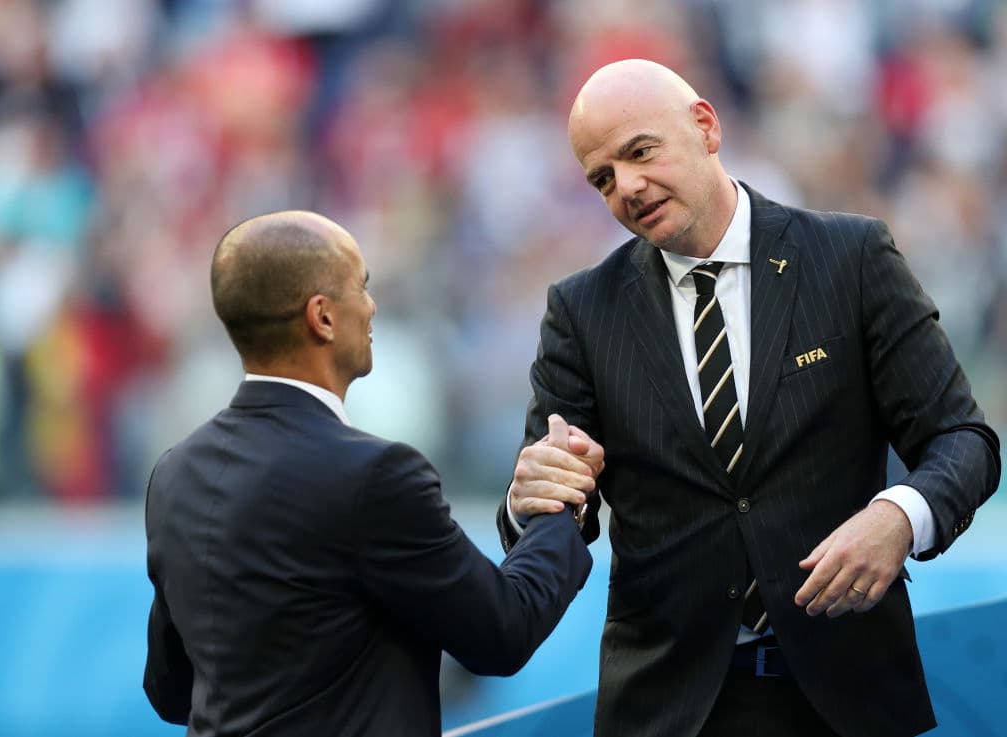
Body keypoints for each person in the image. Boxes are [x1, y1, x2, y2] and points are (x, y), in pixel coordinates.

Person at [497, 59, 1001, 737]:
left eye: (640, 152)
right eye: (602, 179)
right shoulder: (582, 311)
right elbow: (556, 505)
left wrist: (899, 516)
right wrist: (526, 499)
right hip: (670, 710)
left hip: (850, 696)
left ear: (706, 127)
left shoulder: (850, 257)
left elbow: (963, 439)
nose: (627, 187)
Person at [143, 210, 603, 737]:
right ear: (322, 316)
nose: (372, 306)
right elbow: (503, 632)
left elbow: (171, 688)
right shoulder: (373, 475)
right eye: (361, 287)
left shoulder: (174, 474)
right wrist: (562, 501)